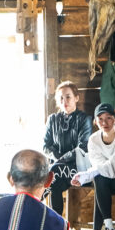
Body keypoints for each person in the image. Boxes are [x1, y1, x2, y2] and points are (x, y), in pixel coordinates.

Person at [43, 81, 91, 215]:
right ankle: (57, 222)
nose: (65, 101)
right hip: (58, 170)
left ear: (76, 98)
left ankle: (32, 203)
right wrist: (58, 159)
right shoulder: (52, 119)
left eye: (68, 97)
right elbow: (45, 146)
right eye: (61, 98)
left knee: (53, 174)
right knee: (54, 180)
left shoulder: (84, 119)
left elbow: (82, 147)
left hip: (77, 169)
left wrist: (61, 160)